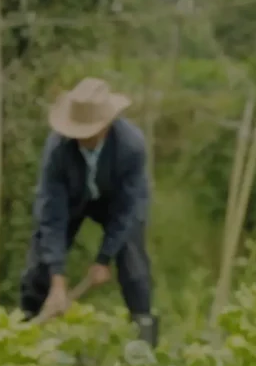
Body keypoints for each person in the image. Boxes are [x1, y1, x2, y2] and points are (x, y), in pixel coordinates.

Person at [18, 77, 158, 347]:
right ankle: (28, 329)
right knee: (40, 262)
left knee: (133, 260)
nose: (81, 137)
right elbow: (52, 214)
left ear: (105, 125)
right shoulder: (58, 150)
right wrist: (58, 281)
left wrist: (103, 260)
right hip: (72, 199)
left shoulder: (131, 146)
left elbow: (127, 210)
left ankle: (145, 342)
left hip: (116, 202)